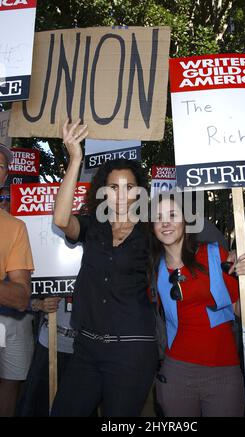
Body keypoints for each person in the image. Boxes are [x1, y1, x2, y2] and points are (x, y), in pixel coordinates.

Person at [50, 120, 157, 417]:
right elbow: (61, 220)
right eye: (113, 187)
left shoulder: (152, 231)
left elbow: (186, 253)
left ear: (140, 193)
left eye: (129, 187)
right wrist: (75, 159)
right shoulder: (93, 226)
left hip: (132, 352)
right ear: (103, 192)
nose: (121, 194)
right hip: (86, 349)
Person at [150, 193, 245, 417]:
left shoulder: (214, 255)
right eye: (158, 217)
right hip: (176, 373)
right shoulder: (152, 269)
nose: (166, 222)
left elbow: (241, 311)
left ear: (185, 221)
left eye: (172, 215)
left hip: (223, 372)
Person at [0, 144, 34, 416]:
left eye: (1, 166)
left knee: (9, 386)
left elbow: (22, 297)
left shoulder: (15, 227)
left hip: (6, 323)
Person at [17, 297, 76, 416]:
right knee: (37, 404)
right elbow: (23, 292)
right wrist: (38, 304)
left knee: (78, 404)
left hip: (87, 347)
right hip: (50, 341)